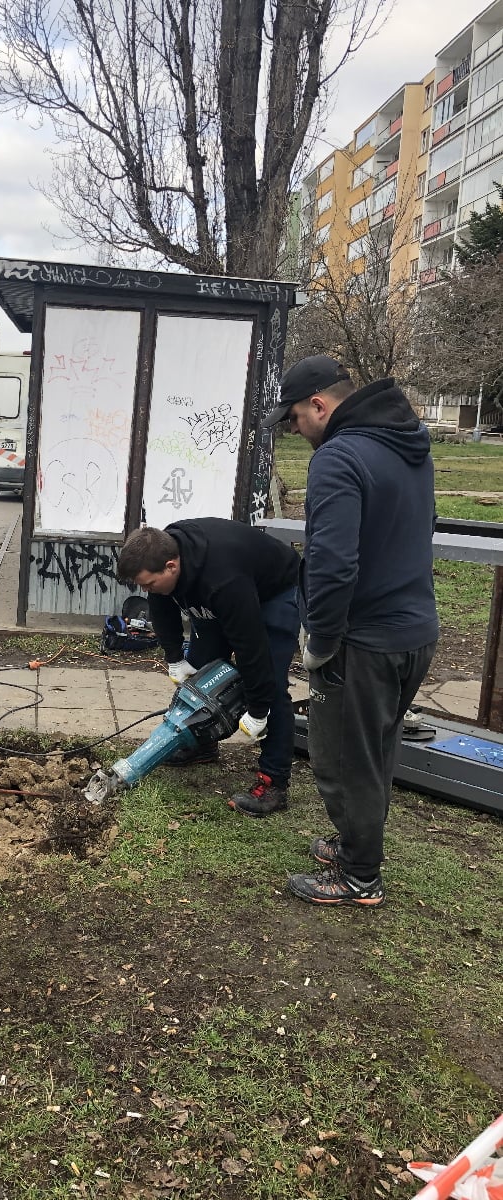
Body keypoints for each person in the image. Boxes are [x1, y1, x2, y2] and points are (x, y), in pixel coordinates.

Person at [263, 355, 438, 907]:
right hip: (415, 631)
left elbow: (332, 564)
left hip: (363, 641)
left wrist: (320, 641)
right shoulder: (408, 445)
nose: (294, 430)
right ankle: (355, 844)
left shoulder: (338, 457)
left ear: (319, 404)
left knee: (342, 758)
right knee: (376, 749)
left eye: (293, 418)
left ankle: (359, 876)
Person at [117, 520, 300, 815]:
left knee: (272, 685)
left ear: (172, 566)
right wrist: (175, 658)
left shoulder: (224, 579)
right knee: (203, 674)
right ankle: (202, 746)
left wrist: (257, 710)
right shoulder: (159, 553)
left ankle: (274, 782)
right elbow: (161, 607)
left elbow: (251, 648)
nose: (147, 590)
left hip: (273, 592)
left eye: (149, 584)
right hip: (220, 594)